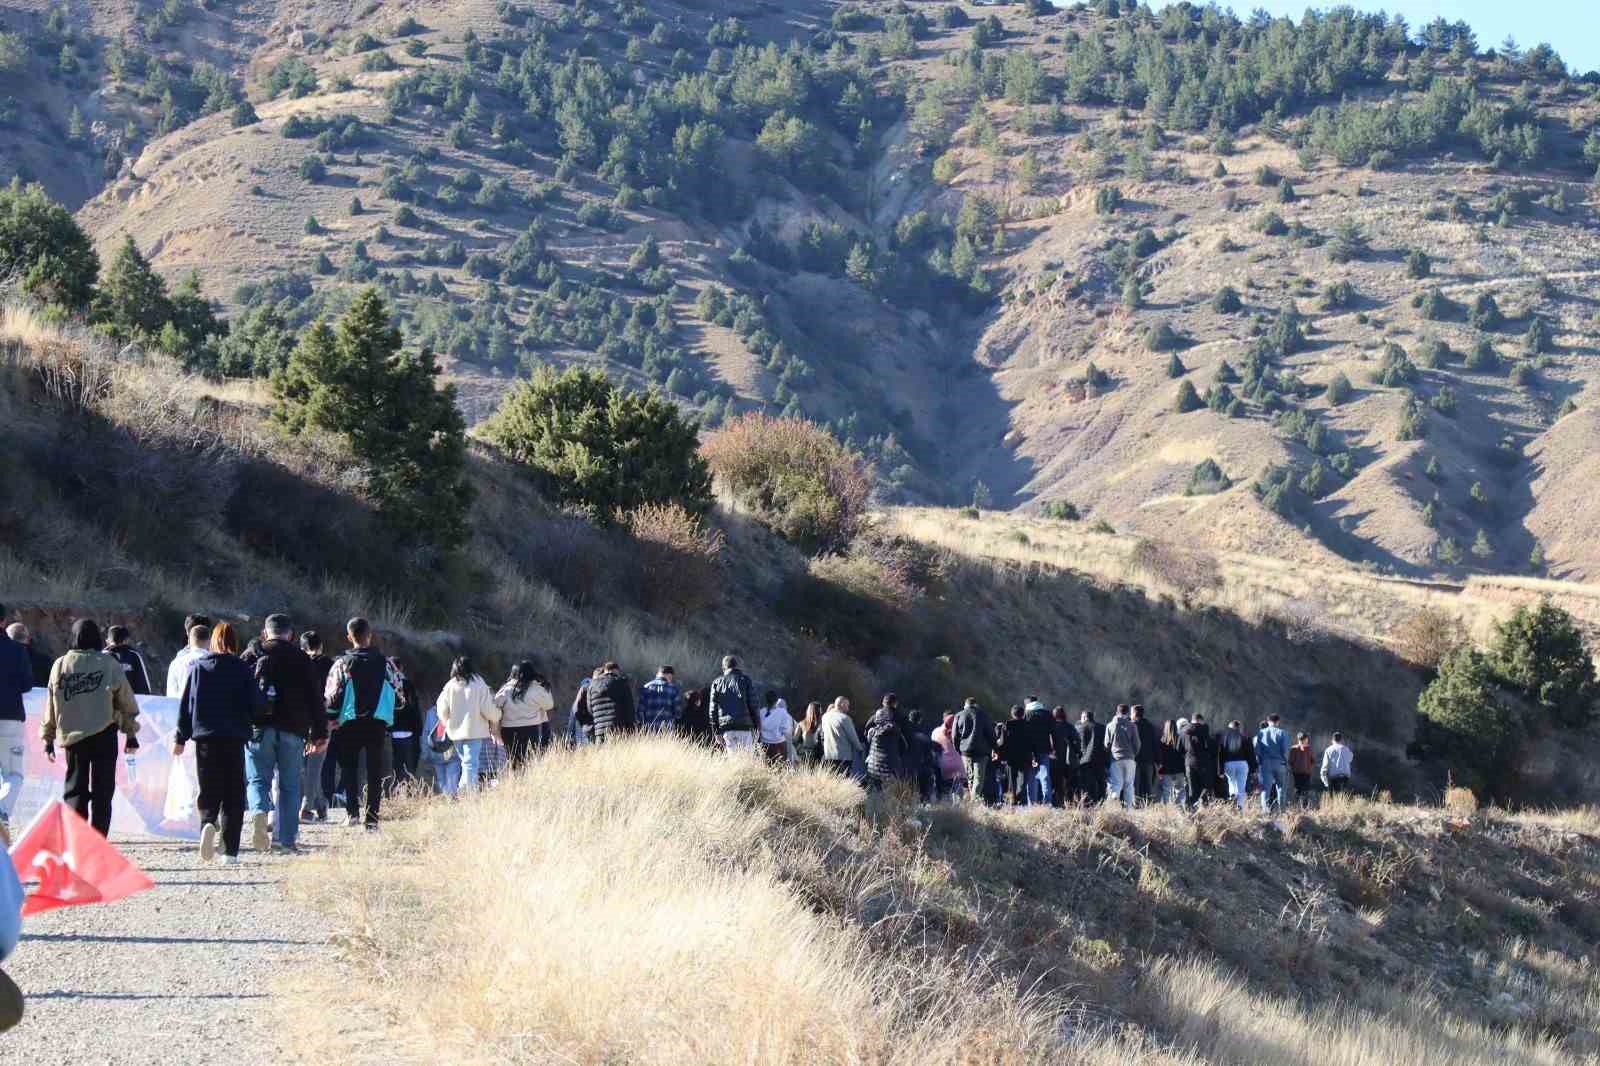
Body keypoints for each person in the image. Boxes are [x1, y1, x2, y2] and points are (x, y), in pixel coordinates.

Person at [42, 619, 140, 837]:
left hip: (73, 737)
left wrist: (47, 738)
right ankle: (98, 841)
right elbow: (126, 703)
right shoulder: (109, 663)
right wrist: (131, 734)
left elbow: (51, 703)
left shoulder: (60, 664)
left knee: (75, 791)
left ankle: (77, 842)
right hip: (104, 734)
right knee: (103, 792)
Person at [174, 623, 260, 863]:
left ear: (212, 641)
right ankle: (230, 852)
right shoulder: (243, 669)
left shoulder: (199, 668)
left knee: (209, 788)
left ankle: (208, 823)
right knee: (234, 793)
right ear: (234, 643)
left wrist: (180, 737)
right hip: (234, 737)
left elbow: (186, 705)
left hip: (205, 738)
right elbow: (255, 704)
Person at [240, 614, 323, 854]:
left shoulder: (252, 654)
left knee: (257, 780)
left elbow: (238, 691)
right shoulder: (302, 658)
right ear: (291, 634)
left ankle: (258, 812)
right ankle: (284, 841)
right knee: (289, 786)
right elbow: (315, 698)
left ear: (265, 633)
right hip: (293, 731)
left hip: (257, 729)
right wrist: (319, 733)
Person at [324, 617, 405, 827]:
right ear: (370, 635)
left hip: (348, 722)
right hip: (377, 723)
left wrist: (332, 718)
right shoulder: (386, 663)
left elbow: (331, 696)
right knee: (374, 770)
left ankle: (352, 814)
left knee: (349, 768)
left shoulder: (341, 663)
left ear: (349, 637)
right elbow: (400, 699)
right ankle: (372, 819)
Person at [435, 656, 498, 797]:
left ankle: (465, 793)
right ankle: (466, 794)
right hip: (474, 731)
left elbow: (441, 708)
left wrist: (447, 723)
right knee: (470, 763)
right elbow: (487, 708)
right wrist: (496, 716)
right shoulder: (478, 683)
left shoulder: (450, 685)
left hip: (455, 732)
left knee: (466, 763)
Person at [0, 604, 33, 845]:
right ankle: (2, 812)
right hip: (10, 718)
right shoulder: (16, 649)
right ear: (3, 622)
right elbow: (26, 685)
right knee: (14, 774)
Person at [494, 661, 554, 770]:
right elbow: (549, 705)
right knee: (530, 760)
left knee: (512, 760)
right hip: (531, 729)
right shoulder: (536, 688)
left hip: (508, 730)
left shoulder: (506, 689)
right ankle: (527, 781)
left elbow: (495, 703)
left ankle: (514, 782)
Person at [301, 630, 335, 822]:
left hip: (299, 719)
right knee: (315, 762)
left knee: (306, 764)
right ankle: (320, 805)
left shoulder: (298, 664)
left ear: (302, 647)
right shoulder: (330, 664)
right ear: (321, 646)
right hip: (324, 719)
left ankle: (307, 806)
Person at [387, 657, 422, 794]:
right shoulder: (408, 684)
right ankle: (408, 793)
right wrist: (418, 729)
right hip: (409, 732)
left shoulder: (388, 685)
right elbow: (414, 708)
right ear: (400, 668)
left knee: (397, 765)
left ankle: (397, 793)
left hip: (394, 731)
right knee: (410, 765)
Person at [709, 655, 757, 753]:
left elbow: (712, 710)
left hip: (727, 728)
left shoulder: (717, 683)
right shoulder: (746, 680)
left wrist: (716, 732)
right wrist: (756, 726)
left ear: (723, 668)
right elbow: (753, 705)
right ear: (736, 666)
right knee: (747, 759)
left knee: (733, 760)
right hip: (745, 726)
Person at [951, 698, 995, 804]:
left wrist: (958, 749)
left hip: (965, 752)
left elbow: (954, 735)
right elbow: (990, 734)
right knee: (978, 778)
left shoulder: (959, 715)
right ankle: (974, 801)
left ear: (965, 705)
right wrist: (994, 747)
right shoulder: (983, 715)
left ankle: (973, 800)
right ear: (976, 705)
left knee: (970, 777)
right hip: (981, 752)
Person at [864, 694, 910, 792]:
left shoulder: (874, 717)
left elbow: (866, 734)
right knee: (893, 789)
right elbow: (906, 741)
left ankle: (876, 805)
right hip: (893, 760)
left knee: (875, 788)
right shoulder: (901, 717)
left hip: (874, 761)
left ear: (883, 703)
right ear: (895, 704)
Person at [583, 661, 635, 743]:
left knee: (602, 755)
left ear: (605, 670)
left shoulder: (592, 685)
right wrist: (631, 730)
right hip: (618, 730)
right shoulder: (622, 683)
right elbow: (629, 709)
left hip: (599, 731)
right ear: (617, 671)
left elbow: (590, 709)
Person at [165, 615, 213, 698]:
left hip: (182, 708)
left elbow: (171, 695)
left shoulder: (177, 662)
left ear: (188, 634)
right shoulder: (216, 662)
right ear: (209, 636)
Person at [997, 705, 1034, 807]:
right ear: (1023, 714)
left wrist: (999, 754)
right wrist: (1033, 756)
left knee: (1011, 783)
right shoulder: (1029, 725)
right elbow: (1032, 743)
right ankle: (1019, 802)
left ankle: (1011, 803)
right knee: (1022, 782)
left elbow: (1002, 742)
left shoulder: (1007, 725)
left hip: (1010, 758)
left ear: (1012, 714)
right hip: (1025, 758)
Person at [1253, 713, 1291, 813]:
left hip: (1265, 763)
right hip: (1280, 763)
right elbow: (1285, 750)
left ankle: (1265, 812)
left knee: (1266, 789)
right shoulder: (1283, 733)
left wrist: (1260, 762)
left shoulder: (1260, 733)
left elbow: (1257, 750)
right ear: (1278, 721)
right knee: (1281, 788)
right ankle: (1282, 811)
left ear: (1268, 721)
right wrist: (1286, 762)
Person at [1105, 704, 1140, 808]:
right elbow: (1137, 744)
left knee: (1116, 784)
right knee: (1129, 785)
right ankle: (1129, 810)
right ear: (1128, 713)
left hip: (1115, 759)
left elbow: (1106, 744)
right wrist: (1133, 754)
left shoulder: (1110, 725)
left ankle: (1112, 807)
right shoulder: (1132, 725)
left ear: (1117, 712)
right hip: (1129, 758)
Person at [420, 702, 459, 795]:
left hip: (436, 753)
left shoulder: (431, 713)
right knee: (452, 781)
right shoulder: (456, 710)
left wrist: (425, 754)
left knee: (442, 782)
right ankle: (450, 803)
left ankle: (447, 802)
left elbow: (426, 734)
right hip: (452, 753)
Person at [1179, 713, 1216, 810]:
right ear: (1200, 720)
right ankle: (1205, 810)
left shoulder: (1183, 731)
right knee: (1205, 787)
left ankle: (1191, 811)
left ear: (1192, 720)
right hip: (1204, 763)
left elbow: (1179, 749)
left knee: (1192, 789)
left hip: (1189, 763)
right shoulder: (1204, 730)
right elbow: (1211, 747)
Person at [103, 625, 153, 696]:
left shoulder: (100, 657)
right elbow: (143, 686)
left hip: (106, 703)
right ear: (126, 640)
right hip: (129, 703)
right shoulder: (134, 656)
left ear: (108, 641)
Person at [819, 697, 864, 777]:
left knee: (831, 780)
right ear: (842, 704)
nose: (848, 708)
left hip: (828, 754)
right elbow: (853, 737)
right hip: (843, 756)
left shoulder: (825, 717)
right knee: (843, 781)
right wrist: (860, 749)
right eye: (847, 705)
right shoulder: (845, 718)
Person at [1022, 698, 1054, 806]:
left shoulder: (1026, 714)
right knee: (1045, 777)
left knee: (1031, 778)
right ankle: (1047, 802)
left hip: (1030, 751)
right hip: (1044, 749)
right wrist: (1054, 749)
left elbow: (1024, 735)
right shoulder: (1047, 714)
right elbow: (1053, 732)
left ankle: (1032, 804)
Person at [1217, 719, 1253, 810]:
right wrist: (1253, 768)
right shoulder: (1245, 737)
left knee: (1231, 783)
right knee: (1241, 787)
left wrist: (1220, 770)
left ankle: (1232, 799)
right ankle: (1240, 807)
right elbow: (1250, 754)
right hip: (1242, 764)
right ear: (1239, 728)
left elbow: (1220, 755)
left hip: (1229, 764)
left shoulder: (1224, 738)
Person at [930, 712, 966, 800]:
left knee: (944, 793)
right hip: (959, 767)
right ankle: (958, 811)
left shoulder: (935, 731)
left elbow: (933, 748)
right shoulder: (960, 732)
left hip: (942, 767)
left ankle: (945, 809)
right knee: (958, 794)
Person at [1050, 706, 1081, 806]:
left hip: (1054, 759)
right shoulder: (1069, 726)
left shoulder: (1051, 727)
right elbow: (1076, 741)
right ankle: (1069, 803)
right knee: (1069, 784)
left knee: (1056, 784)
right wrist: (1078, 753)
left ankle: (1057, 804)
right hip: (1068, 760)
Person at [637, 666, 682, 732]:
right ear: (669, 675)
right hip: (666, 729)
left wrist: (643, 725)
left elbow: (640, 711)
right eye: (671, 677)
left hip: (649, 729)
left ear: (658, 674)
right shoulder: (673, 689)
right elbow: (677, 712)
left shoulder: (646, 687)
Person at [1077, 710, 1107, 803]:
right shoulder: (1102, 727)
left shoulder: (1080, 728)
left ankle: (1087, 803)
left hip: (1085, 760)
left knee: (1086, 783)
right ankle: (1101, 803)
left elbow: (1080, 745)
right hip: (1100, 759)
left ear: (1085, 717)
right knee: (1100, 782)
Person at [757, 691, 794, 766]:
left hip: (765, 745)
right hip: (779, 745)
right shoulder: (782, 712)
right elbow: (786, 730)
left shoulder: (761, 712)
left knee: (767, 768)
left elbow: (758, 729)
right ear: (776, 701)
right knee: (780, 769)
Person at [1131, 705, 1158, 804]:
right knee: (1148, 785)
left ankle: (1136, 805)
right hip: (1149, 761)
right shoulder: (1151, 726)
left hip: (1135, 760)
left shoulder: (1132, 726)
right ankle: (1149, 805)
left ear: (1134, 713)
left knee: (1135, 785)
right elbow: (1155, 744)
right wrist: (1157, 761)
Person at [1157, 719, 1187, 806]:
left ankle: (1166, 809)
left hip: (1166, 770)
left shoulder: (1162, 741)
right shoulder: (1180, 738)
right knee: (1180, 790)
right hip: (1179, 769)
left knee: (1166, 790)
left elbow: (1160, 757)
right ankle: (1179, 808)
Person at [1289, 732, 1317, 808]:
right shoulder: (1308, 748)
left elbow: (1291, 761)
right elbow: (1313, 761)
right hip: (1306, 773)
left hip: (1296, 773)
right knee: (1305, 791)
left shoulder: (1293, 748)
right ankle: (1304, 808)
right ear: (1305, 739)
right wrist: (1308, 767)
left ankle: (1294, 807)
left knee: (1297, 790)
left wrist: (1294, 768)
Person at [794, 702, 825, 767]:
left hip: (806, 755)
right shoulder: (822, 724)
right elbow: (794, 741)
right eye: (820, 710)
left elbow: (794, 740)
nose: (821, 712)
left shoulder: (801, 724)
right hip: (816, 755)